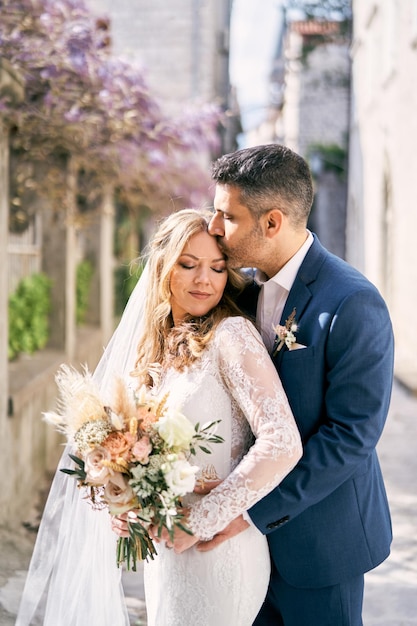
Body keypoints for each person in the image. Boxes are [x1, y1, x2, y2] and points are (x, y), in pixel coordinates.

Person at [17, 208, 302, 626]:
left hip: (217, 552)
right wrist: (128, 503)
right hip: (166, 556)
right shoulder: (153, 350)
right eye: (188, 265)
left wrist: (202, 521)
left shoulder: (231, 336)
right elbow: (141, 454)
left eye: (217, 268)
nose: (204, 280)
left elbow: (282, 442)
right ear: (163, 269)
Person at [191, 143, 394, 626]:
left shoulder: (353, 303)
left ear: (272, 222)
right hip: (239, 552)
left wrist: (248, 509)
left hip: (321, 546)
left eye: (227, 216)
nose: (214, 228)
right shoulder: (239, 290)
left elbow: (350, 437)